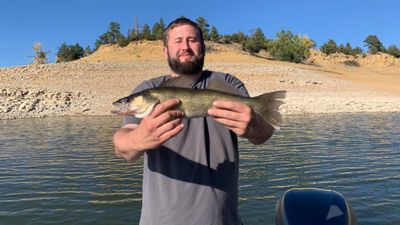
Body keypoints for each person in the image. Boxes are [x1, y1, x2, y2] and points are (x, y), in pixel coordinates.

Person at [112, 17, 275, 225]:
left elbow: (263, 134)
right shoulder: (150, 87)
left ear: (204, 47)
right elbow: (122, 147)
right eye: (178, 41)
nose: (185, 47)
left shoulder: (227, 83)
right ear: (165, 51)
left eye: (192, 40)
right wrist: (137, 139)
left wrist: (253, 125)